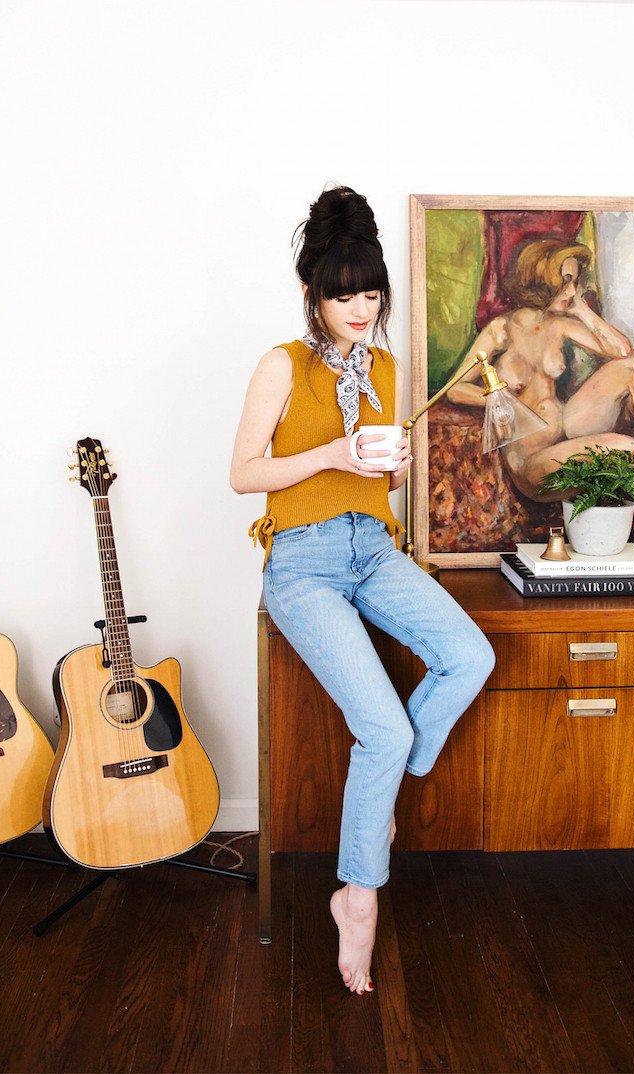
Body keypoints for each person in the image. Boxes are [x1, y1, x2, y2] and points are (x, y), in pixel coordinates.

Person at [230, 186, 495, 996]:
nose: (358, 308)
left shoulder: (382, 366)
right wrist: (335, 455)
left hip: (372, 549)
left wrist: (392, 468)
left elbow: (375, 477)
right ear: (314, 292)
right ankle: (359, 894)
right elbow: (244, 475)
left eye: (369, 294)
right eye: (343, 293)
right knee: (378, 727)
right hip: (303, 563)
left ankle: (384, 789)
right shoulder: (283, 363)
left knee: (468, 655)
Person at [446, 238, 634, 499]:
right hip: (533, 459)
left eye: (574, 281)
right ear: (541, 279)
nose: (571, 291)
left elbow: (623, 351)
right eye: (565, 281)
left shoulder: (559, 325)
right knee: (629, 448)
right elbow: (454, 388)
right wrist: (500, 399)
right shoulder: (501, 330)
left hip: (568, 430)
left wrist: (582, 310)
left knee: (632, 366)